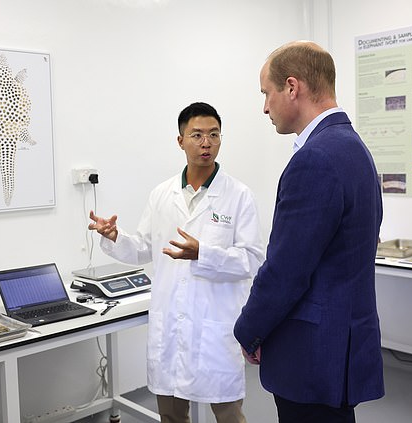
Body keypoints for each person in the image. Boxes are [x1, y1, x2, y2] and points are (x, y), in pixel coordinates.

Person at [233, 41, 385, 423]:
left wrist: (248, 330)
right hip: (341, 344)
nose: (264, 107)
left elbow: (286, 271)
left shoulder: (315, 158)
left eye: (266, 94)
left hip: (312, 353)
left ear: (291, 87)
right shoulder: (353, 148)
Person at [89, 102, 265, 423]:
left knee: (228, 415)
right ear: (180, 140)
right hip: (170, 326)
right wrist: (115, 237)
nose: (206, 143)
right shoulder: (161, 194)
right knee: (170, 416)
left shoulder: (238, 195)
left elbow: (252, 260)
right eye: (196, 135)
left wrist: (205, 254)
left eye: (213, 134)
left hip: (215, 328)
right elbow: (144, 249)